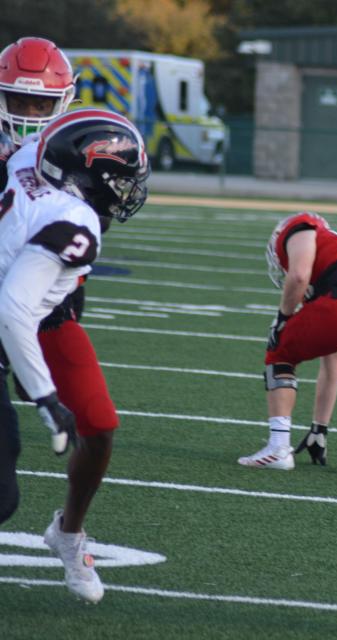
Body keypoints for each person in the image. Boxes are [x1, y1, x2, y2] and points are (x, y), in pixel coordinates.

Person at [0, 108, 150, 607]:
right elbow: (14, 308)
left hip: (49, 312)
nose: (128, 189)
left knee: (100, 424)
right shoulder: (75, 217)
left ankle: (69, 532)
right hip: (19, 309)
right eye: (121, 179)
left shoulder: (29, 157)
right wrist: (45, 398)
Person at [238, 212, 337, 470]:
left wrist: (282, 319)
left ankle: (278, 447)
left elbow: (299, 276)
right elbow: (331, 365)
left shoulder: (300, 225)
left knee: (278, 352)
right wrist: (319, 428)